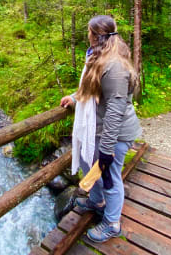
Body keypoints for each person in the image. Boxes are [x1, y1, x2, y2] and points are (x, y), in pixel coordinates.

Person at [60, 14, 142, 243]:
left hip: (114, 133)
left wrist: (107, 149)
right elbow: (93, 89)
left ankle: (112, 223)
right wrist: (76, 99)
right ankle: (96, 202)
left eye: (88, 31)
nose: (87, 35)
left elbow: (115, 109)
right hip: (98, 128)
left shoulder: (114, 65)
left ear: (95, 35)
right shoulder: (98, 56)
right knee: (90, 164)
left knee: (109, 176)